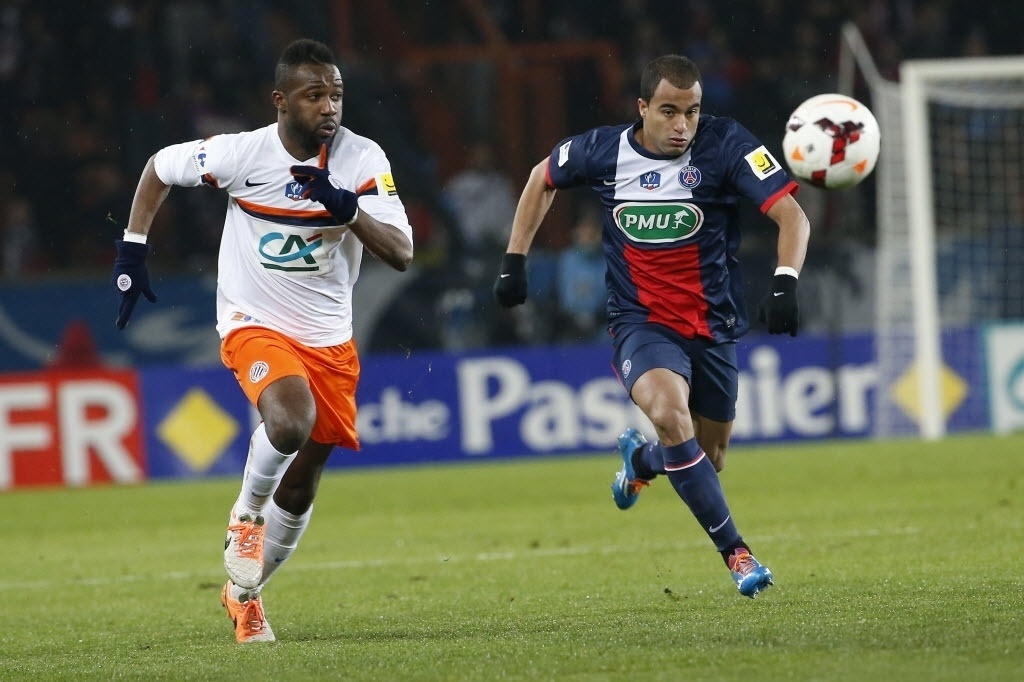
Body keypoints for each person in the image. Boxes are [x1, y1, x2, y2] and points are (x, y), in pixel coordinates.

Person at [111, 38, 414, 642]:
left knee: (302, 483)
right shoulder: (240, 154)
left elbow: (402, 251)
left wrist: (346, 208)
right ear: (280, 101)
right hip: (254, 321)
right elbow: (157, 168)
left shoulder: (362, 159)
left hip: (329, 337)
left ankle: (244, 593)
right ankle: (245, 515)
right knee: (289, 420)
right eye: (314, 95)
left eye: (336, 94)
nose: (329, 107)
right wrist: (133, 246)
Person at [493, 54, 809, 598]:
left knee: (709, 459)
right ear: (642, 108)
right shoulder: (602, 150)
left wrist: (784, 281)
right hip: (641, 322)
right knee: (668, 412)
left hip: (712, 325)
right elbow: (539, 178)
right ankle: (737, 553)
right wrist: (514, 259)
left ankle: (639, 460)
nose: (682, 125)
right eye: (668, 111)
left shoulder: (728, 144)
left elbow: (791, 216)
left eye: (691, 111)